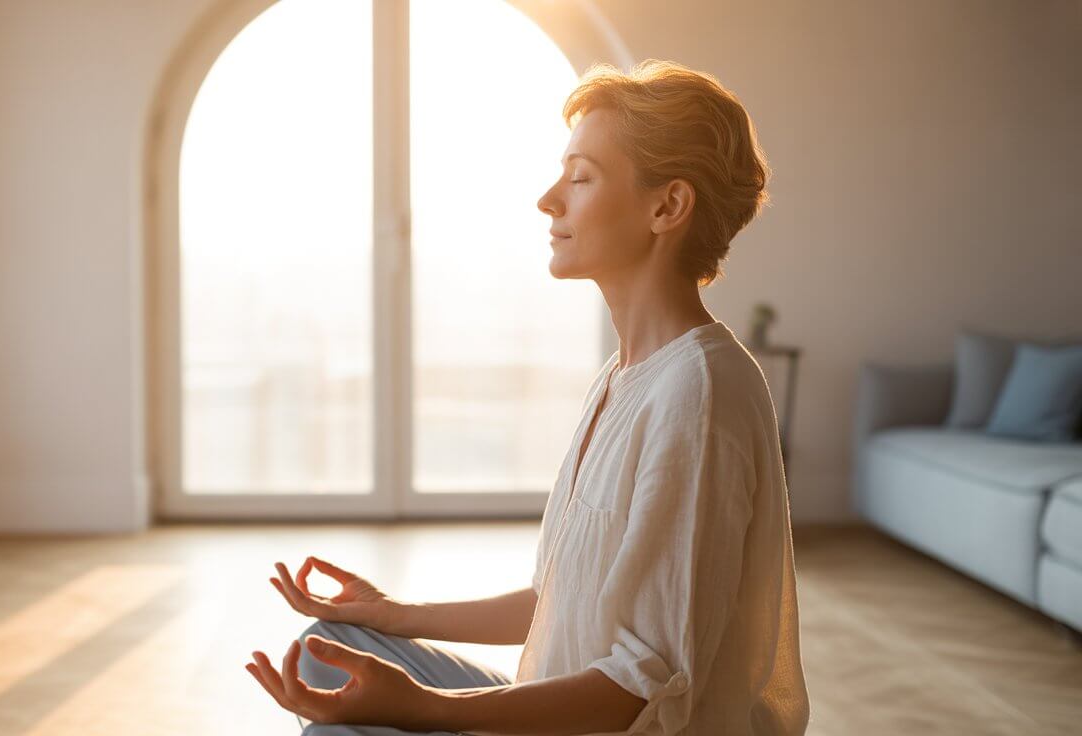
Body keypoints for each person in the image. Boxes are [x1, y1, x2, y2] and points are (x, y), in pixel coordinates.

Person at [244, 58, 810, 736]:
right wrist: (393, 615)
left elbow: (642, 690)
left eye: (580, 178)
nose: (549, 199)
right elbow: (555, 602)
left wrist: (424, 709)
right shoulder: (623, 377)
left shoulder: (700, 394)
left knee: (347, 720)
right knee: (328, 653)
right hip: (561, 703)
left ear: (667, 207)